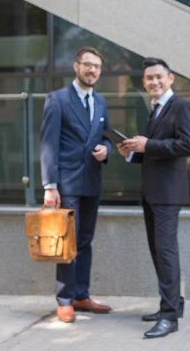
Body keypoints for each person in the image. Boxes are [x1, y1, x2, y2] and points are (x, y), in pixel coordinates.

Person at [117, 57, 190, 339]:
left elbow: (188, 145)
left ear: (170, 78)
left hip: (168, 194)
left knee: (165, 252)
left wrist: (147, 144)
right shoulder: (155, 108)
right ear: (144, 82)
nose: (153, 82)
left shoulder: (181, 106)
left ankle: (170, 317)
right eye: (148, 78)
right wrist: (133, 152)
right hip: (151, 192)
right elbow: (158, 153)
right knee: (158, 251)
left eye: (158, 77)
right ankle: (172, 304)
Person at [40, 46, 113, 323]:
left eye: (96, 66)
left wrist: (107, 149)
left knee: (85, 242)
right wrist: (50, 186)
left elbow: (105, 136)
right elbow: (48, 144)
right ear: (76, 66)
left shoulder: (102, 102)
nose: (92, 70)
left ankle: (82, 295)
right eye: (87, 64)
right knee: (66, 244)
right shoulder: (57, 99)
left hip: (92, 182)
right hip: (66, 184)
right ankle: (64, 300)